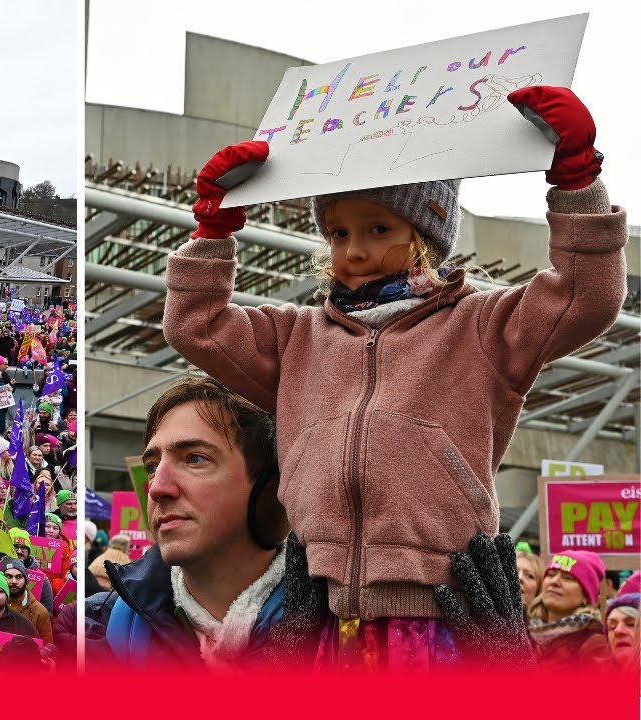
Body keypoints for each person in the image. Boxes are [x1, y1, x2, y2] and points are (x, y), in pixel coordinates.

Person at [163, 88, 625, 661]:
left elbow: (587, 296)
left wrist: (577, 183)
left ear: (426, 237)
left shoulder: (480, 326)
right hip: (320, 613)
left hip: (444, 612)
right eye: (338, 232)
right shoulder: (295, 337)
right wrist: (212, 233)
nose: (354, 250)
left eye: (378, 229)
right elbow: (195, 324)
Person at [84, 378, 288, 669]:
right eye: (152, 467)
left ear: (270, 489)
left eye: (195, 459)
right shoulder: (93, 629)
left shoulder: (351, 636)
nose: (156, 487)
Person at [527, 551, 611, 669]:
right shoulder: (525, 630)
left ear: (585, 597)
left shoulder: (594, 642)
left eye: (568, 578)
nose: (554, 582)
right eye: (551, 574)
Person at [0, 556, 53, 645]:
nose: (14, 581)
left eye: (19, 577)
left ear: (25, 581)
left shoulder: (40, 612)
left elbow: (48, 645)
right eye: (9, 576)